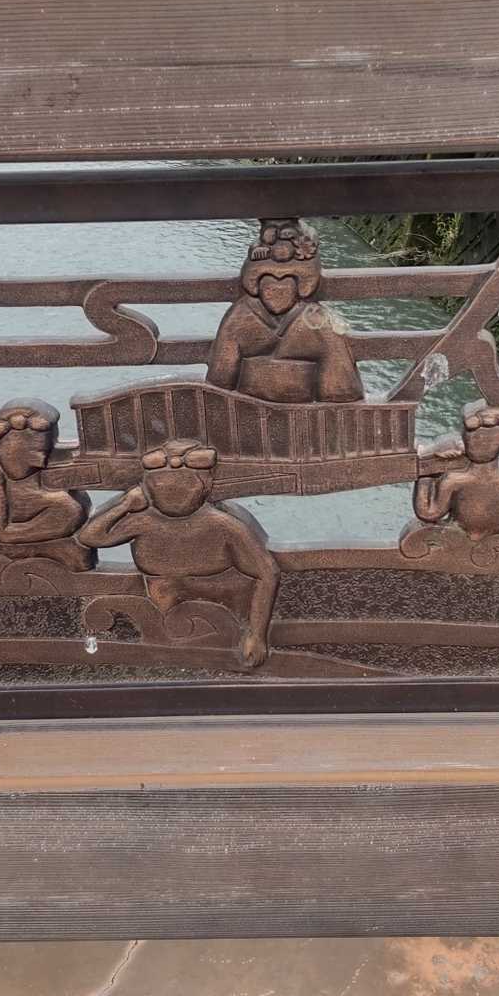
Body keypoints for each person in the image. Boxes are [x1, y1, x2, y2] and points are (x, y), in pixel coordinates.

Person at [78, 438, 279, 669]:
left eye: (183, 486)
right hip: (162, 620)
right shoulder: (144, 522)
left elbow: (267, 572)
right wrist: (124, 505)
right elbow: (90, 537)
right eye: (162, 486)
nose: (172, 494)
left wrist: (257, 635)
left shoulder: (223, 526)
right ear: (147, 487)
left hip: (223, 621)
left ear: (206, 484)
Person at [207, 218, 362, 404]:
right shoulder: (240, 317)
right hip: (248, 402)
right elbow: (219, 381)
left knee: (329, 342)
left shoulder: (317, 321)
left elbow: (342, 390)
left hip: (302, 322)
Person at [0, 401, 93, 570]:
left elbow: (3, 533)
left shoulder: (64, 506)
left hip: (33, 554)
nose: (41, 461)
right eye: (34, 453)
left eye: (44, 452)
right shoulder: (4, 473)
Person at [412, 403, 499, 552]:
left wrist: (426, 473)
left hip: (472, 546)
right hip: (493, 548)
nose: (476, 443)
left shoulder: (455, 479)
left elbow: (428, 513)